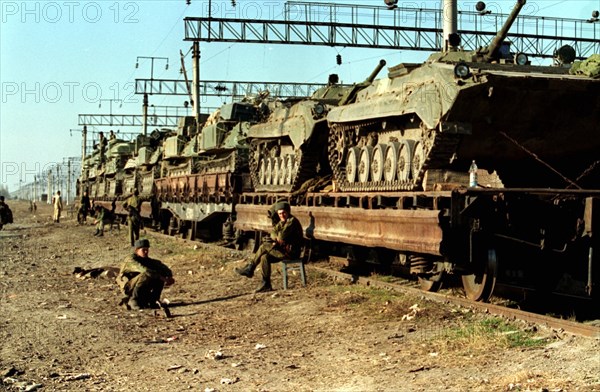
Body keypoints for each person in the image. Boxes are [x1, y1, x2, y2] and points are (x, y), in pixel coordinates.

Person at [236, 200, 304, 292]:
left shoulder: (291, 222)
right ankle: (266, 283)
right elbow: (273, 233)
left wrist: (276, 238)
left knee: (264, 246)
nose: (282, 215)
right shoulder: (282, 222)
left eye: (284, 213)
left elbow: (281, 236)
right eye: (279, 214)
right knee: (264, 257)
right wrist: (276, 238)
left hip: (292, 253)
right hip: (283, 251)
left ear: (288, 212)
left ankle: (250, 267)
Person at [116, 239, 174, 310]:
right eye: (143, 250)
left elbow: (162, 267)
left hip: (141, 288)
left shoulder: (147, 260)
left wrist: (169, 277)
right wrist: (161, 277)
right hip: (128, 288)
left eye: (147, 250)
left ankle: (153, 300)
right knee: (147, 274)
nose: (146, 252)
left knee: (158, 273)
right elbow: (145, 270)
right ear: (137, 250)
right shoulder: (131, 260)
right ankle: (133, 300)